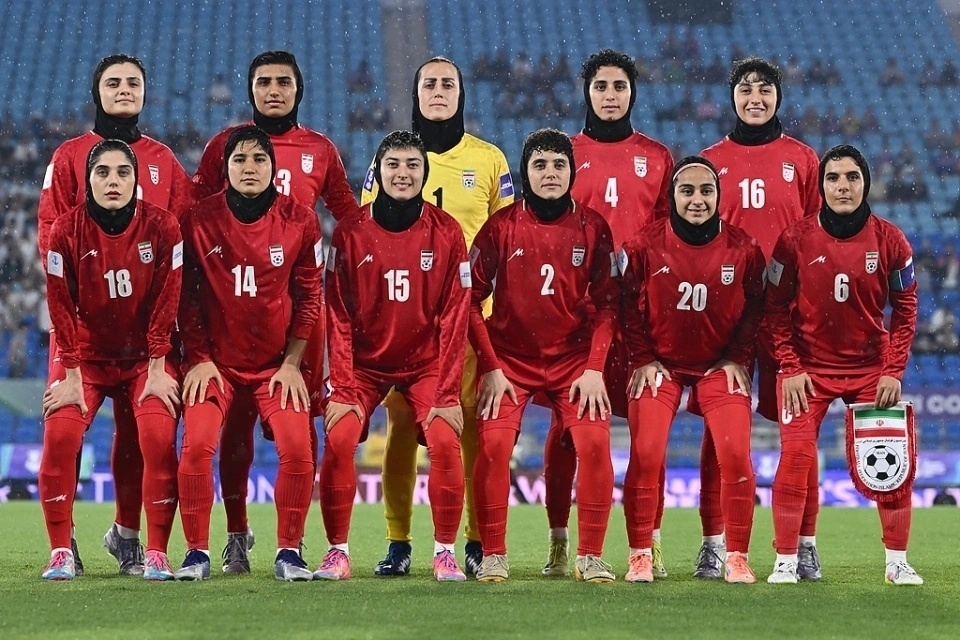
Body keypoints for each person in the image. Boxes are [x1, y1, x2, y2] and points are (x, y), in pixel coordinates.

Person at [193, 50, 357, 574]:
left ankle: (294, 543)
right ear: (251, 89)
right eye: (263, 81)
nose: (273, 90)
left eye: (283, 82)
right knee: (235, 430)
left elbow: (351, 220)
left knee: (300, 432)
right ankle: (236, 535)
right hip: (233, 312)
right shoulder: (223, 146)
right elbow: (192, 215)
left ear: (298, 90)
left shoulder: (320, 149)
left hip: (297, 317)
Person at [36, 53, 194, 576]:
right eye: (113, 83)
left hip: (146, 341)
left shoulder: (164, 160)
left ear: (145, 92)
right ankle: (63, 543)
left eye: (133, 83)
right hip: (80, 336)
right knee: (63, 431)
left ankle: (130, 539)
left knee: (141, 437)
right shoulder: (68, 156)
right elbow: (51, 239)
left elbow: (185, 233)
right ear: (96, 92)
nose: (124, 90)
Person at [361, 57, 513, 577]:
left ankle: (472, 541)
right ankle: (398, 541)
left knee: (467, 430)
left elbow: (506, 240)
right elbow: (370, 233)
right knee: (401, 429)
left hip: (469, 324)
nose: (439, 91)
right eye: (430, 83)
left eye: (449, 83)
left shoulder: (489, 159)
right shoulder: (392, 159)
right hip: (405, 325)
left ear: (462, 93)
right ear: (416, 93)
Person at [540, 49, 674, 579]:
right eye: (601, 86)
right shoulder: (565, 154)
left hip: (642, 314)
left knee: (649, 435)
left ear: (632, 93)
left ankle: (649, 542)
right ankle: (559, 542)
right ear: (586, 92)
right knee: (566, 432)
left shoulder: (657, 156)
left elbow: (667, 236)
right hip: (580, 314)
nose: (610, 95)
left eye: (619, 86)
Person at [317, 131, 470, 582]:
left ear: (425, 173)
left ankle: (444, 553)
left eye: (412, 165)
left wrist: (447, 394)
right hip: (365, 367)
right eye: (394, 164)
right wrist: (343, 387)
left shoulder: (447, 232)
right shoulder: (350, 232)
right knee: (339, 437)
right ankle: (337, 552)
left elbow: (455, 316)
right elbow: (337, 314)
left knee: (445, 438)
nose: (403, 173)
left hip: (425, 365)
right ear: (377, 172)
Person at [766, 145, 921, 585]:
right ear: (822, 186)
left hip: (871, 369)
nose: (843, 186)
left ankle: (897, 562)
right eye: (833, 178)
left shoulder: (890, 239)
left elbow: (906, 307)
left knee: (891, 458)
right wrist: (790, 366)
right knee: (796, 456)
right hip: (807, 371)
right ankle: (786, 561)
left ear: (865, 183)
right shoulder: (794, 239)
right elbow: (774, 307)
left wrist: (893, 370)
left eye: (852, 177)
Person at [469, 129, 617, 583]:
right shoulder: (500, 227)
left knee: (594, 445)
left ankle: (588, 555)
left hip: (574, 363)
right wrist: (491, 367)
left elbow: (609, 306)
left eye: (558, 165)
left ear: (573, 171)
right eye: (540, 165)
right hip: (510, 362)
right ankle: (494, 554)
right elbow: (469, 301)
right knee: (494, 447)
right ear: (525, 172)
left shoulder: (594, 227)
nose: (550, 173)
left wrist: (594, 369)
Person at [174, 126, 321, 582]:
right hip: (216, 366)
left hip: (275, 368)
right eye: (239, 159)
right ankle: (196, 553)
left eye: (259, 159)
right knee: (197, 447)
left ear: (273, 168)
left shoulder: (300, 220)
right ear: (225, 169)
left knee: (297, 448)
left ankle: (289, 552)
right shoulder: (197, 220)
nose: (250, 167)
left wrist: (292, 364)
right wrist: (199, 357)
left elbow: (310, 296)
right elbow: (186, 297)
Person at [696, 56, 820, 579]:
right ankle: (712, 543)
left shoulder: (803, 158)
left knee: (801, 430)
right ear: (732, 98)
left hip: (789, 313)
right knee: (718, 431)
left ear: (777, 97)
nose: (755, 98)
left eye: (764, 89)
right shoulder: (709, 161)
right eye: (745, 89)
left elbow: (818, 235)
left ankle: (805, 544)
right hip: (727, 312)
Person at [619, 156, 765, 584]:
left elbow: (757, 307)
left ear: (719, 196)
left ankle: (736, 556)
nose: (697, 199)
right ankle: (640, 554)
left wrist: (737, 356)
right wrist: (643, 357)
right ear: (672, 197)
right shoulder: (643, 246)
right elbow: (624, 304)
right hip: (660, 365)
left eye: (706, 190)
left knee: (735, 454)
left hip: (718, 366)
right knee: (646, 453)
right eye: (687, 191)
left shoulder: (744, 249)